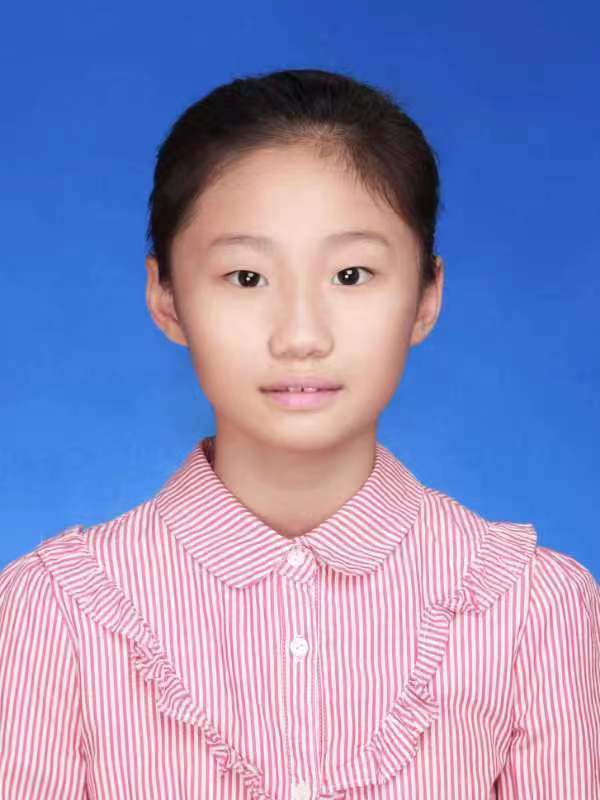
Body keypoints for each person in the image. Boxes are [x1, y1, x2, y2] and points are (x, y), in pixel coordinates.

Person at [1, 68, 598, 799]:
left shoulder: (532, 608)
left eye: (351, 274)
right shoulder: (55, 611)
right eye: (246, 278)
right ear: (166, 297)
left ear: (426, 296)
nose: (301, 336)